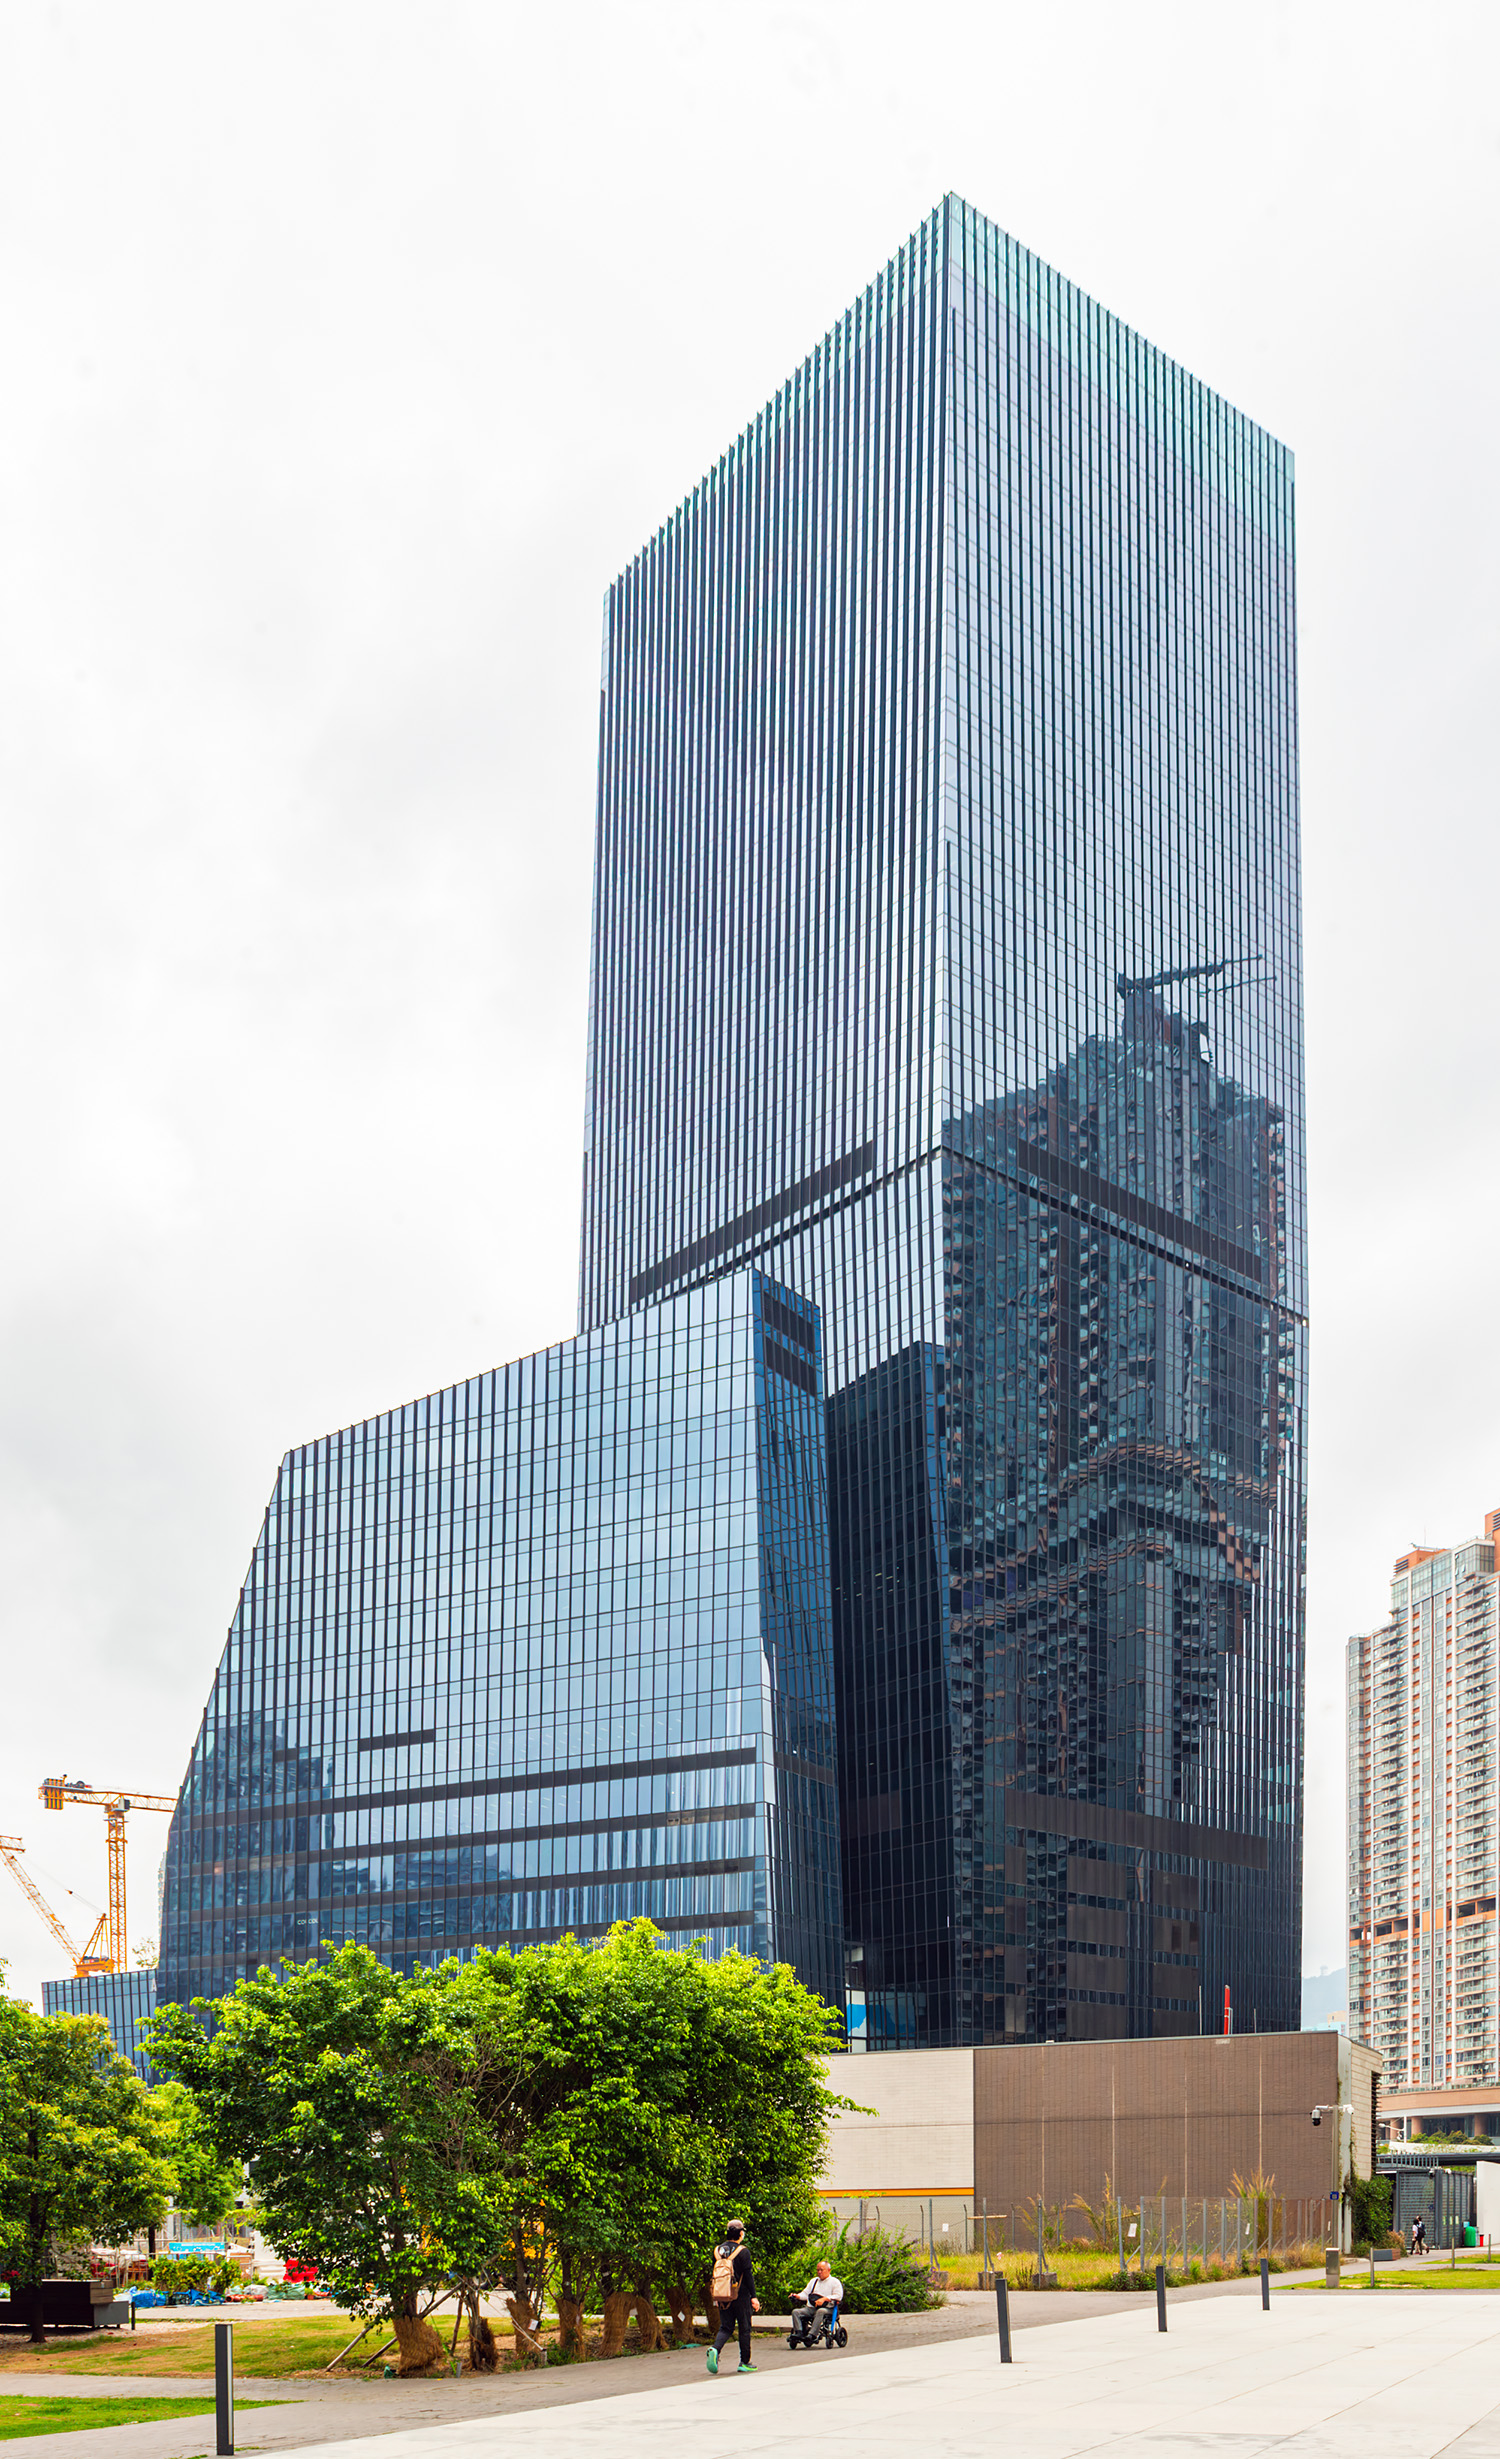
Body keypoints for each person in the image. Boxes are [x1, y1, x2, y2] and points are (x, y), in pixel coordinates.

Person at [706, 2219, 759, 2374]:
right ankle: (744, 2362)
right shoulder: (743, 2251)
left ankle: (715, 2349)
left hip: (723, 2295)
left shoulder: (717, 2251)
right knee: (744, 2328)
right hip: (740, 2295)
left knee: (726, 2327)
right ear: (741, 2233)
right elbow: (748, 2276)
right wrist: (754, 2297)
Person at [790, 2256, 845, 2346]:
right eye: (818, 2270)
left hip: (828, 2308)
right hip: (811, 2308)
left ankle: (812, 2335)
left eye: (821, 2270)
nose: (819, 2272)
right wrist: (797, 2296)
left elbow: (838, 2296)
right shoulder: (814, 2281)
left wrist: (825, 2299)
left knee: (820, 2311)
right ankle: (799, 2333)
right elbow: (806, 2294)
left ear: (828, 2270)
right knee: (796, 2312)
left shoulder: (834, 2282)